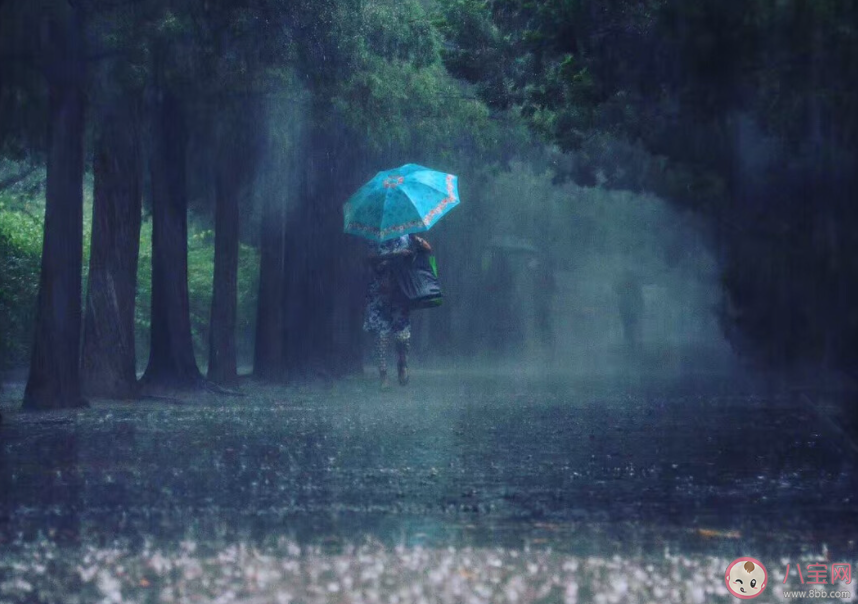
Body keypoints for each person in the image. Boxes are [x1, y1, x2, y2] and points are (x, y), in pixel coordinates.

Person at [364, 233, 432, 388]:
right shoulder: (376, 236)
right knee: (381, 336)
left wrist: (417, 240)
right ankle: (383, 377)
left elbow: (428, 250)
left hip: (401, 290)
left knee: (402, 335)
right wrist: (394, 255)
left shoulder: (407, 235)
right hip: (380, 292)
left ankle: (403, 364)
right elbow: (369, 258)